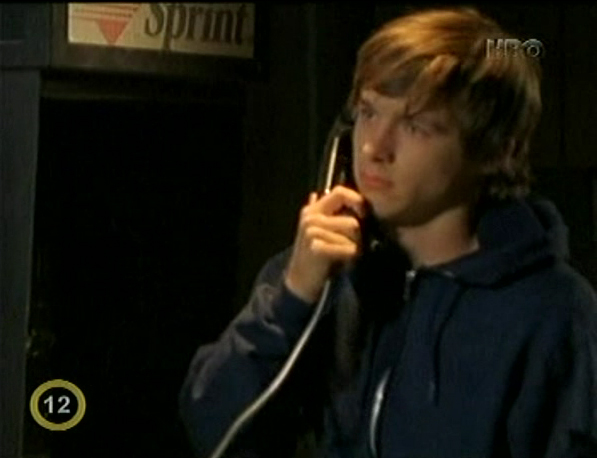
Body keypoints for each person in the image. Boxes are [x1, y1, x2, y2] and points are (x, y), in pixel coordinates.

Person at [179, 6, 597, 458]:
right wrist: (292, 299)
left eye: (416, 126)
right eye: (369, 112)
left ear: (494, 151)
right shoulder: (325, 276)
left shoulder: (552, 313)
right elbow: (213, 428)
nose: (374, 147)